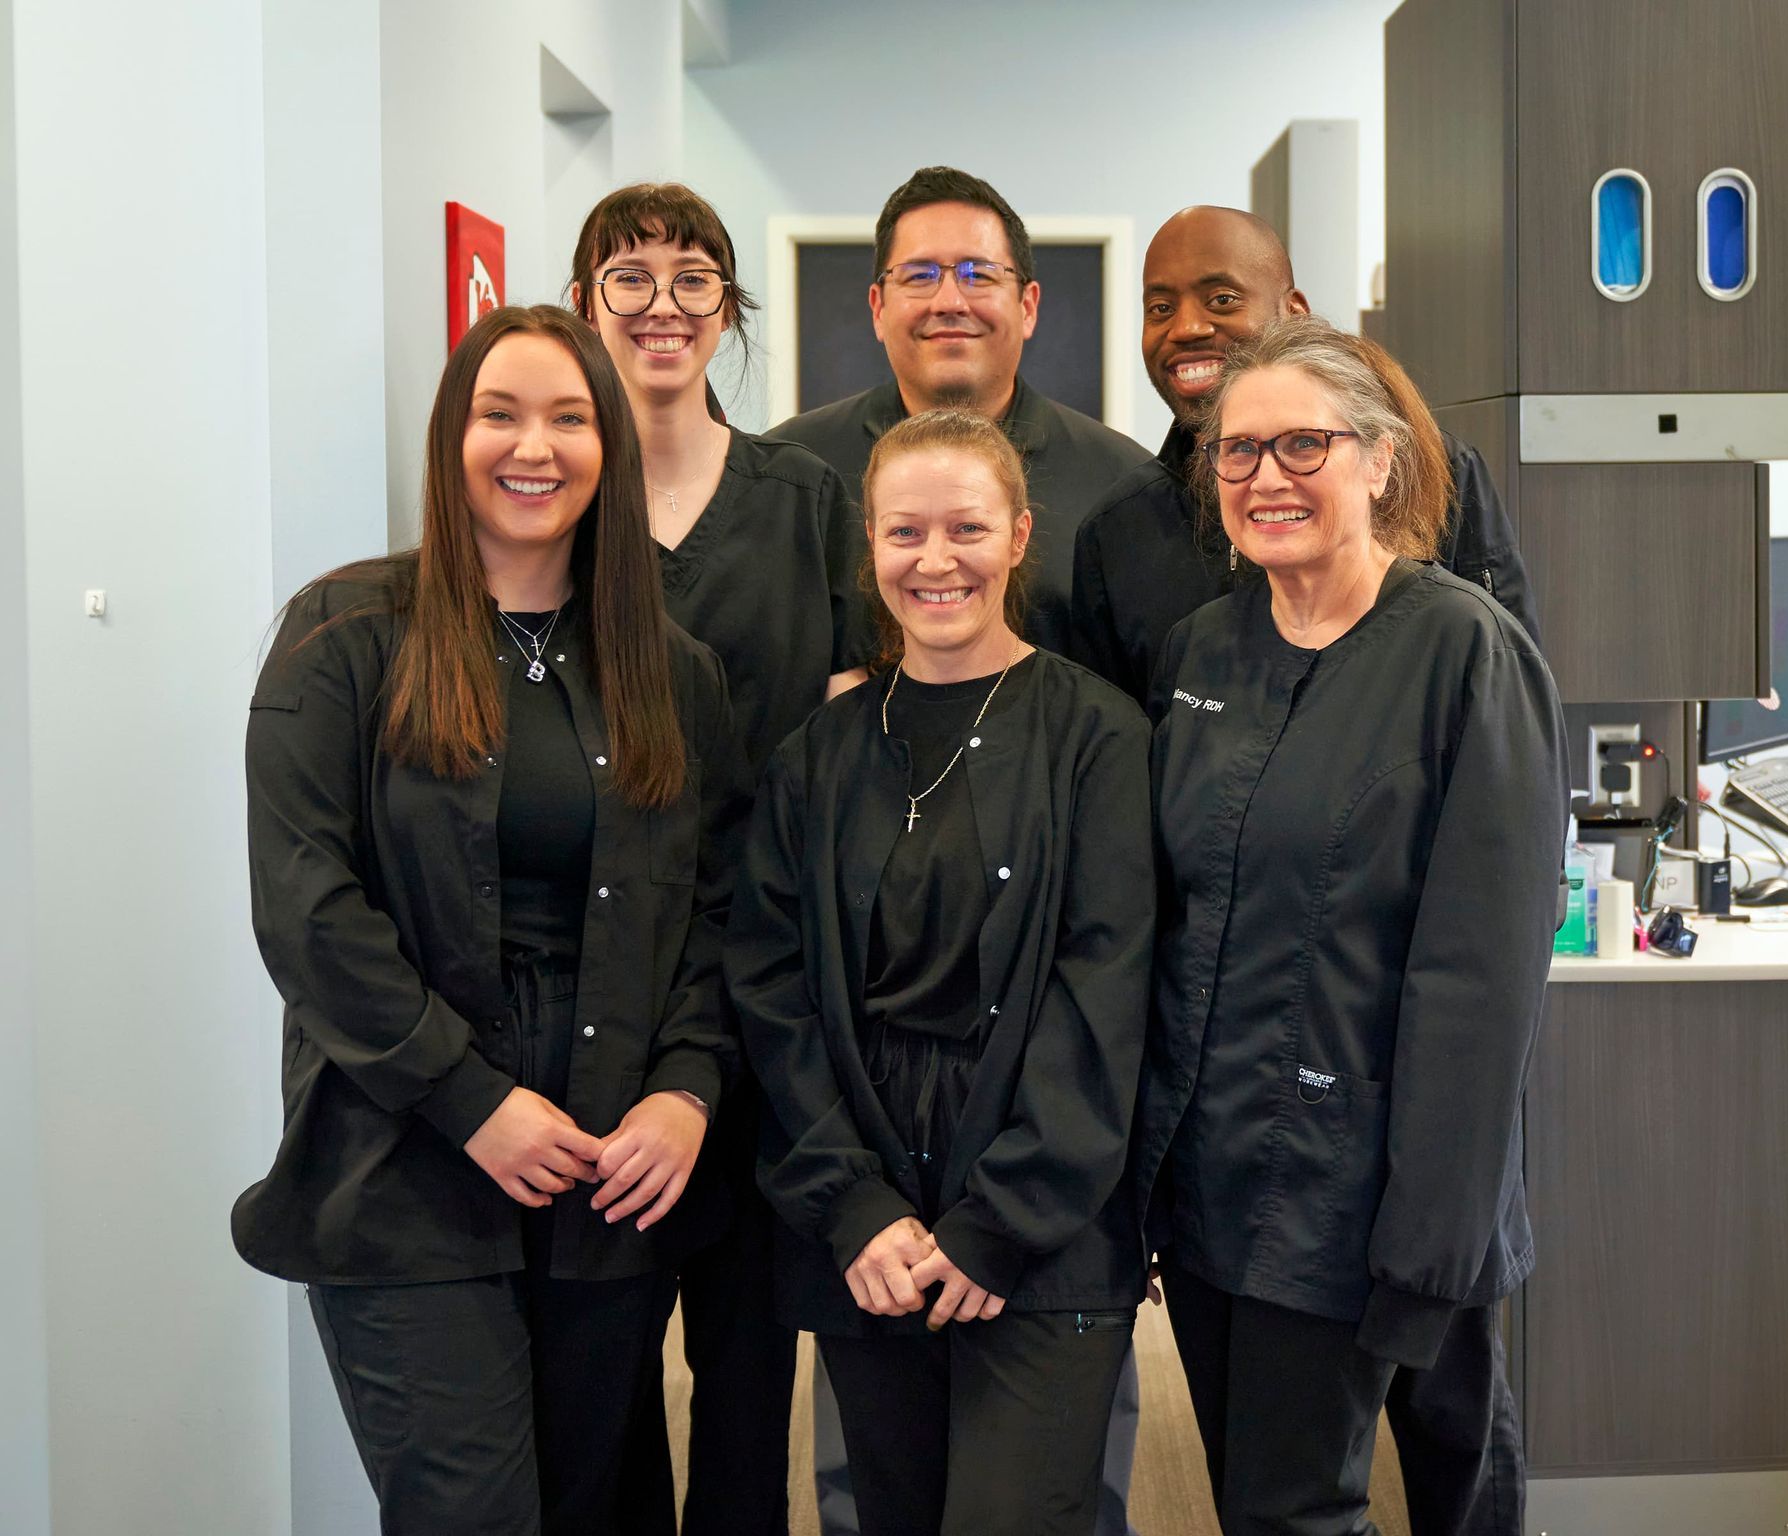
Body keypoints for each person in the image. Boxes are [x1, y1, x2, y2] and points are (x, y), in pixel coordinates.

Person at [233, 304, 747, 1536]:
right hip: (404, 1155)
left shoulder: (673, 669)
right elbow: (307, 909)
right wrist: (472, 1102)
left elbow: (722, 910)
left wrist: (684, 1090)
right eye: (500, 414)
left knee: (594, 1510)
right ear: (448, 438)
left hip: (608, 1172)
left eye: (572, 418)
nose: (537, 446)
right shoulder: (345, 634)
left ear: (610, 449)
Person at [1137, 315, 1568, 1536]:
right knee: (1263, 1500)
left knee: (1307, 1511)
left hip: (1365, 1185)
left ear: (1381, 462)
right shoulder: (1202, 652)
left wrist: (1433, 1246)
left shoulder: (1464, 653)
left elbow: (1482, 982)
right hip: (1211, 1175)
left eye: (1302, 445)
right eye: (1238, 452)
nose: (1265, 477)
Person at [727, 409, 1154, 1536]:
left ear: (1018, 536)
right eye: (903, 532)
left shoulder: (1100, 738)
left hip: (1043, 1223)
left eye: (965, 528)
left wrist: (1001, 1221)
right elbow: (773, 997)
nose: (935, 560)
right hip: (869, 1225)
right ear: (867, 546)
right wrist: (853, 1205)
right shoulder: (815, 757)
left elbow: (1103, 994)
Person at [569, 179, 868, 1536]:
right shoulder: (558, 499)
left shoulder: (803, 500)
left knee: (750, 1368)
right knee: (605, 1372)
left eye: (694, 277)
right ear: (586, 305)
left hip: (771, 987)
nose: (663, 305)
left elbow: (857, 715)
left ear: (729, 310)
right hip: (605, 995)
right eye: (629, 276)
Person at [1071, 205, 1538, 707]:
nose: (1186, 327)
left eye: (1222, 299)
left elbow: (1509, 699)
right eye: (1160, 308)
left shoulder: (1434, 471)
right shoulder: (1120, 530)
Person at [772, 165, 1153, 659]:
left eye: (979, 274)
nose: (949, 300)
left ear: (1028, 306)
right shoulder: (793, 473)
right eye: (919, 276)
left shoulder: (1122, 485)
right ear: (878, 309)